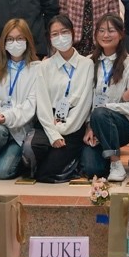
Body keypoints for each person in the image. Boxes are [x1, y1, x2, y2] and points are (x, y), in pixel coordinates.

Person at [28, 15, 93, 182]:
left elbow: (84, 104)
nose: (60, 37)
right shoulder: (44, 66)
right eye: (55, 34)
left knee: (46, 174)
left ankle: (74, 161)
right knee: (33, 149)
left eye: (64, 32)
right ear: (49, 39)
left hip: (74, 122)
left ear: (72, 33)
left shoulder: (87, 64)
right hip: (50, 121)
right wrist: (53, 134)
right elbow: (42, 104)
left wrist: (64, 128)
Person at [81, 15, 129, 181]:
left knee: (100, 113)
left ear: (121, 34)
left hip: (123, 125)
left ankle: (116, 164)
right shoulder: (88, 62)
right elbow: (83, 99)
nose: (105, 35)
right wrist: (89, 125)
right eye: (101, 31)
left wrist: (107, 108)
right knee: (92, 169)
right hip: (94, 126)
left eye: (111, 31)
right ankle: (106, 157)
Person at [0, 19, 40, 179]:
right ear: (4, 42)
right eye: (10, 39)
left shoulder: (37, 68)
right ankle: (1, 153)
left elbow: (31, 105)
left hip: (21, 130)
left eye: (20, 38)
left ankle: (5, 159)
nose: (15, 43)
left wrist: (6, 116)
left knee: (2, 172)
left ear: (27, 40)